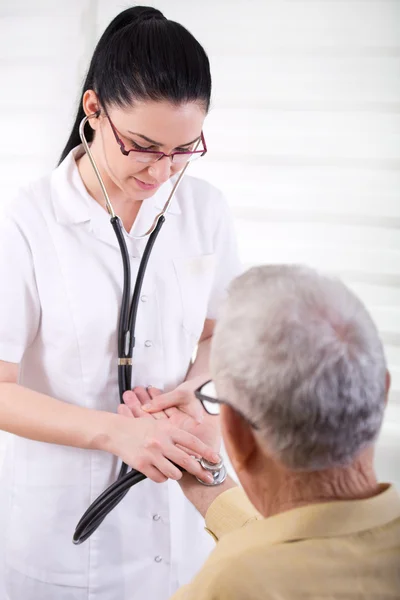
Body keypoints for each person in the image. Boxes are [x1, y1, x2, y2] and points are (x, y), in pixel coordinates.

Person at [0, 6, 241, 600]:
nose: (163, 170)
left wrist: (199, 397)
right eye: (142, 146)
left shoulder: (205, 209)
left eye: (185, 148)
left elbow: (219, 333)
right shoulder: (26, 221)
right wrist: (114, 433)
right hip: (62, 539)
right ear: (93, 111)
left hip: (178, 530)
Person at [128, 265, 400, 599]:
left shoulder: (231, 584)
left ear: (235, 434)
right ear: (382, 393)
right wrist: (200, 468)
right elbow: (304, 544)